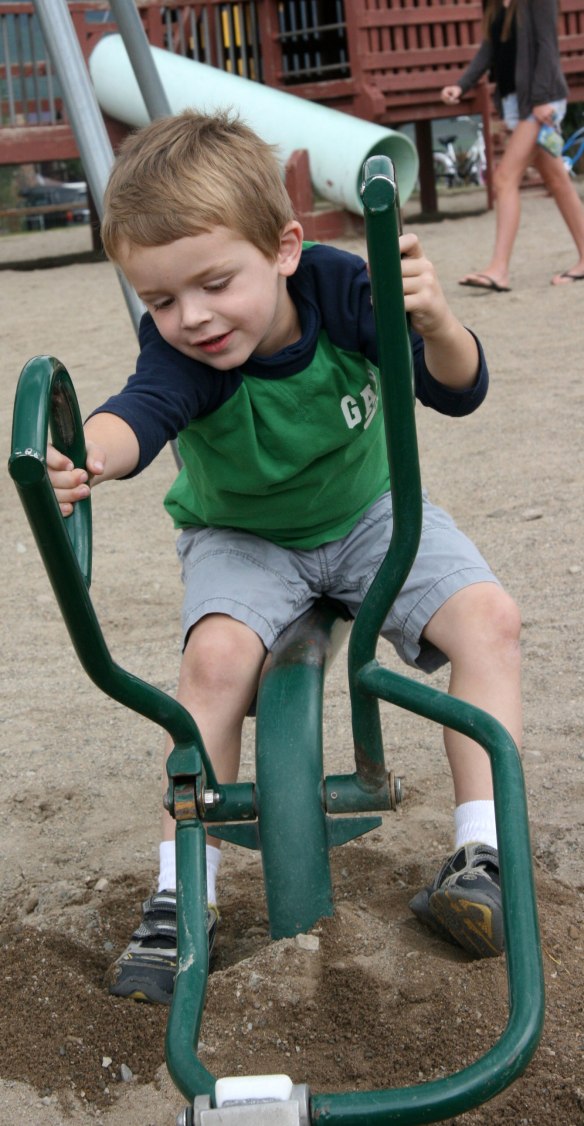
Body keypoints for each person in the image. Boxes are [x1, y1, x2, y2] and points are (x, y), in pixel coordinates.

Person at [47, 109, 521, 1005]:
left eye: (214, 283)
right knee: (213, 663)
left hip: (369, 512)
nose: (191, 317)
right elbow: (140, 411)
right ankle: (181, 896)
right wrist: (86, 456)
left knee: (490, 619)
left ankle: (484, 853)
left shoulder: (345, 292)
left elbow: (456, 390)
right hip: (244, 537)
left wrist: (438, 323)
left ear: (285, 249)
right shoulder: (189, 351)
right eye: (160, 300)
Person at [441, 0, 584, 290]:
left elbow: (547, 46)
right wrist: (462, 84)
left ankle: (499, 269)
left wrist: (541, 99)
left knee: (504, 178)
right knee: (558, 180)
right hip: (515, 103)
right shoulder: (494, 3)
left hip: (539, 102)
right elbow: (489, 49)